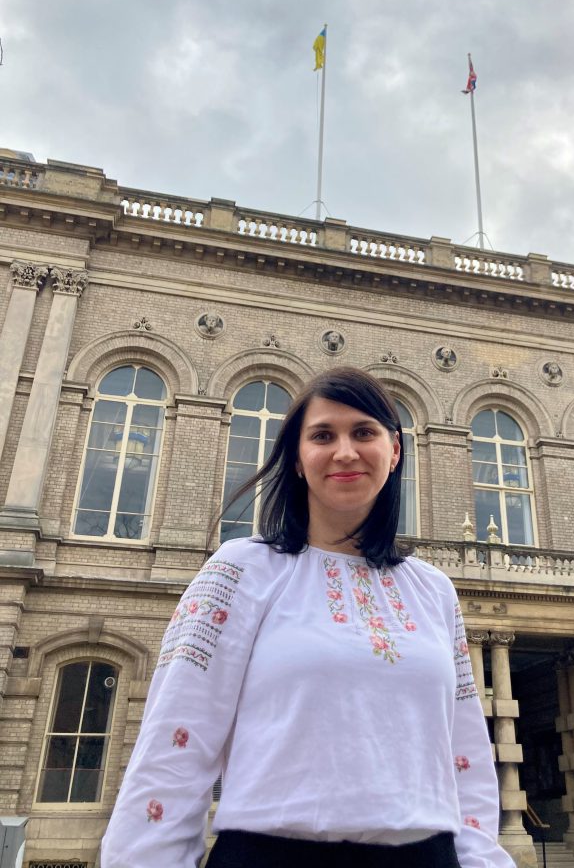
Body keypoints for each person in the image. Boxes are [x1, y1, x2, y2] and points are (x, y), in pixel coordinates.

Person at [100, 367, 516, 868]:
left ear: (396, 450)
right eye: (323, 435)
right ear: (298, 459)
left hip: (425, 855)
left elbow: (463, 755)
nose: (345, 451)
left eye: (364, 432)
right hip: (271, 854)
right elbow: (174, 745)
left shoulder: (434, 591)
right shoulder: (241, 571)